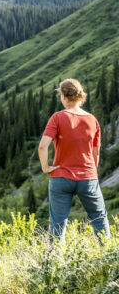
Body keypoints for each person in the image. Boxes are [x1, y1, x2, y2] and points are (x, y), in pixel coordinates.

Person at [38, 78, 110, 243]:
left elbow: (42, 147)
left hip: (61, 177)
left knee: (57, 224)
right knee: (99, 218)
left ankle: (56, 264)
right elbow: (95, 154)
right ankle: (108, 260)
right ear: (80, 96)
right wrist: (90, 172)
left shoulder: (57, 117)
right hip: (88, 178)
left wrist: (46, 167)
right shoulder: (92, 120)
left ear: (63, 96)